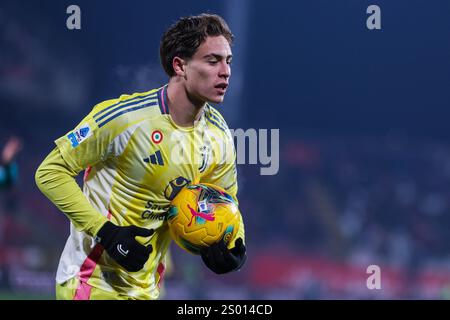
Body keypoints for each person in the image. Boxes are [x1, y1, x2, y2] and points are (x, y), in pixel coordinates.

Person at [35, 13, 246, 300]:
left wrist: (234, 245)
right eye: (213, 61)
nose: (226, 71)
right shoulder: (124, 119)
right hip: (91, 282)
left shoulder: (219, 133)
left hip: (148, 290)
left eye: (228, 61)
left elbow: (226, 199)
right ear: (180, 65)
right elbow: (50, 172)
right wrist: (106, 232)